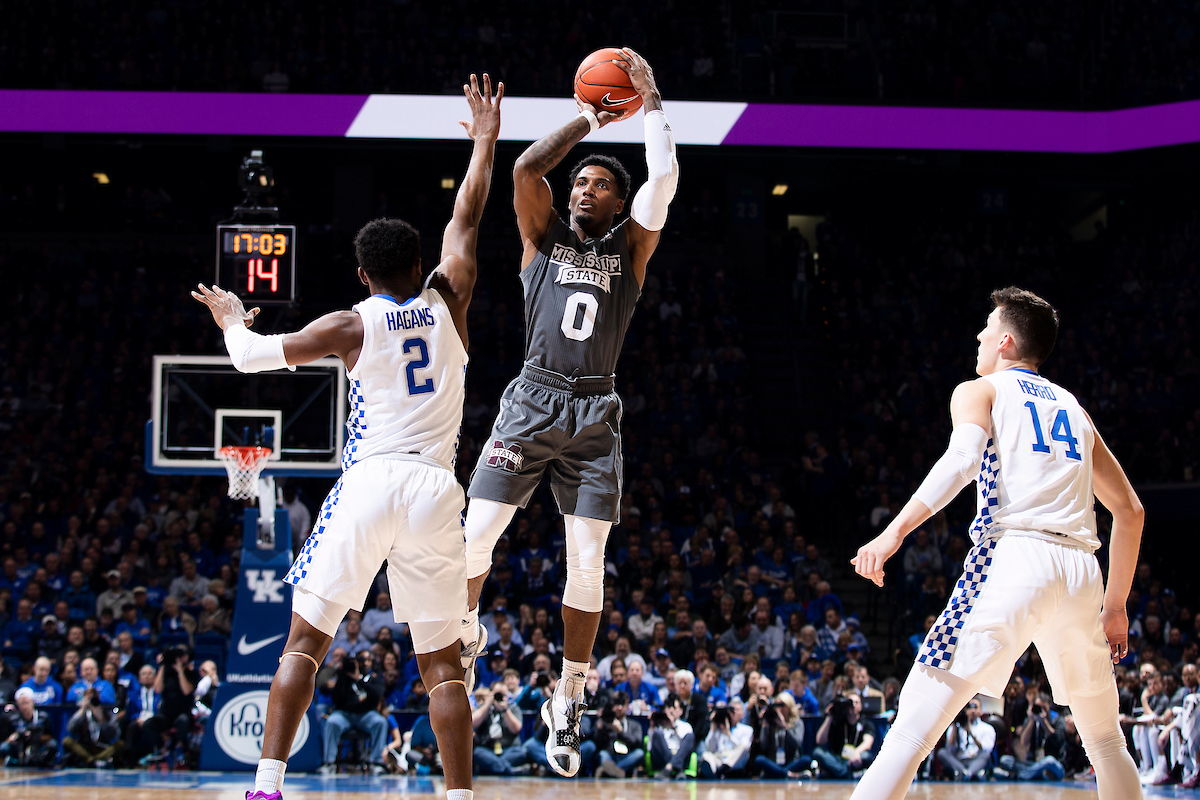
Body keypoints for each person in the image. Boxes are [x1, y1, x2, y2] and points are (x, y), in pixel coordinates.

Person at [192, 73, 501, 800]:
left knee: (307, 641)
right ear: (418, 263)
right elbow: (466, 216)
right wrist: (484, 141)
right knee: (444, 665)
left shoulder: (349, 323)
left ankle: (266, 784)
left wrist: (235, 315)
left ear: (363, 273)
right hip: (436, 489)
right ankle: (457, 795)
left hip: (370, 481)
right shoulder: (451, 294)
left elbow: (249, 357)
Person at [457, 48, 678, 777]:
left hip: (594, 415)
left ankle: (570, 694)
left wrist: (648, 106)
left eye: (599, 184)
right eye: (579, 181)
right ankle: (464, 625)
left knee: (588, 563)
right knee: (476, 533)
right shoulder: (541, 239)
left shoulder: (632, 249)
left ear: (617, 203)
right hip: (531, 396)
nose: (584, 188)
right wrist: (589, 116)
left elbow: (665, 182)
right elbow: (524, 172)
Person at [849, 287, 1144, 800]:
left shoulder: (978, 390)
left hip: (1016, 554)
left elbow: (962, 461)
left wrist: (892, 532)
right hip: (1082, 569)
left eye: (986, 330)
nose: (979, 338)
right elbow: (1131, 511)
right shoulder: (1074, 409)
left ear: (1005, 341)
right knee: (1105, 740)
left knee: (912, 730)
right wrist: (1115, 605)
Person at [320, 653, 388, 774]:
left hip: (366, 714)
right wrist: (343, 675)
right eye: (362, 660)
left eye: (368, 660)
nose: (365, 663)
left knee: (380, 722)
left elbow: (376, 696)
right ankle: (329, 763)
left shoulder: (373, 678)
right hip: (344, 714)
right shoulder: (344, 678)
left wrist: (359, 680)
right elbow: (336, 699)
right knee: (332, 722)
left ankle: (376, 763)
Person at [813, 693, 876, 778]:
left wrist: (856, 753)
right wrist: (830, 716)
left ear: (861, 706)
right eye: (850, 702)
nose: (853, 705)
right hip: (838, 758)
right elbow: (820, 740)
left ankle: (838, 772)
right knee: (818, 752)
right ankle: (848, 774)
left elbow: (867, 743)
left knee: (866, 756)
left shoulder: (866, 724)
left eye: (856, 702)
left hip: (856, 757)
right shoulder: (838, 722)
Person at [937, 699, 995, 781]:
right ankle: (967, 773)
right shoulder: (956, 727)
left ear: (981, 711)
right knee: (942, 752)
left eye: (975, 707)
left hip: (975, 760)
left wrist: (970, 731)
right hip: (959, 761)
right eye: (969, 707)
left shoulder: (987, 728)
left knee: (985, 755)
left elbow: (987, 749)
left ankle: (966, 774)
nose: (972, 710)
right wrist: (954, 725)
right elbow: (949, 749)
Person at [0, 687, 57, 767]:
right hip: (18, 746)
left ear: (32, 702)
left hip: (38, 745)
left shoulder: (43, 717)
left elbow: (50, 736)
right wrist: (13, 738)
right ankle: (14, 760)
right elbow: (6, 739)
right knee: (4, 747)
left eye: (27, 703)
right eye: (22, 704)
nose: (25, 706)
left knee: (52, 744)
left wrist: (37, 737)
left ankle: (43, 762)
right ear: (18, 704)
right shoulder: (13, 719)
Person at [593, 691, 644, 778]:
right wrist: (600, 728)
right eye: (617, 704)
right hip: (610, 756)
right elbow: (597, 744)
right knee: (602, 754)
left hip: (626, 757)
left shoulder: (634, 724)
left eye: (622, 705)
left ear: (627, 706)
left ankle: (609, 771)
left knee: (639, 753)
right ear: (612, 706)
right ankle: (617, 772)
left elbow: (636, 743)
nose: (620, 708)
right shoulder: (604, 722)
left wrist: (620, 732)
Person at [649, 693, 696, 780]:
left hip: (680, 756)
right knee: (657, 734)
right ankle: (677, 769)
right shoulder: (659, 726)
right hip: (662, 759)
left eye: (674, 708)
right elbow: (649, 747)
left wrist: (673, 727)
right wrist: (652, 726)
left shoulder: (686, 726)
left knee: (690, 736)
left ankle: (669, 768)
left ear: (681, 711)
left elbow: (687, 747)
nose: (671, 710)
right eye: (668, 707)